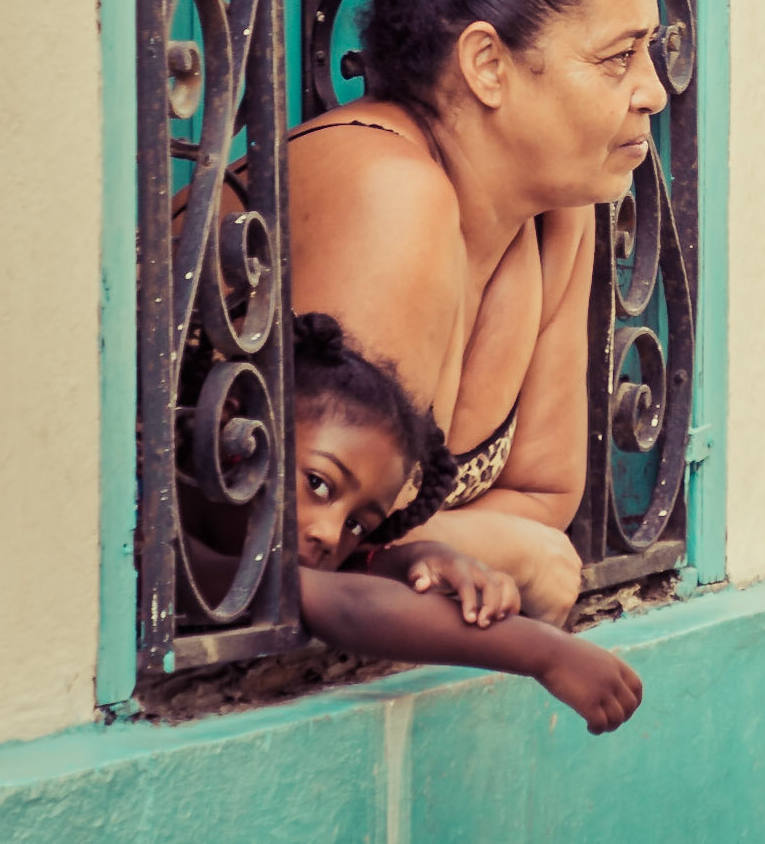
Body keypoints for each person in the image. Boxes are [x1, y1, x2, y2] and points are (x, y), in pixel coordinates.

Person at [286, 0, 667, 620]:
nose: (655, 92)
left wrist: (504, 550)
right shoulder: (390, 192)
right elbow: (316, 550)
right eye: (617, 58)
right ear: (487, 64)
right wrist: (510, 554)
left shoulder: (558, 218)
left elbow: (541, 499)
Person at [275, 313, 642, 732]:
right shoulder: (201, 567)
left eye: (356, 525)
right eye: (319, 485)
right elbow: (348, 606)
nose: (328, 534)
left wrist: (420, 557)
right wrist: (544, 653)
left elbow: (351, 574)